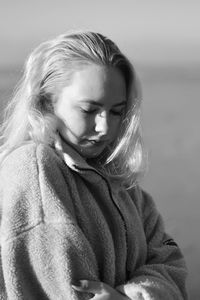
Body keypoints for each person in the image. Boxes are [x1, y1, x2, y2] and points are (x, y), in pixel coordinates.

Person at [0, 30, 187, 300]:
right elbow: (72, 290)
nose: (105, 128)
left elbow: (171, 260)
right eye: (89, 110)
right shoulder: (34, 169)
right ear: (46, 103)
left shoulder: (121, 181)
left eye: (117, 111)